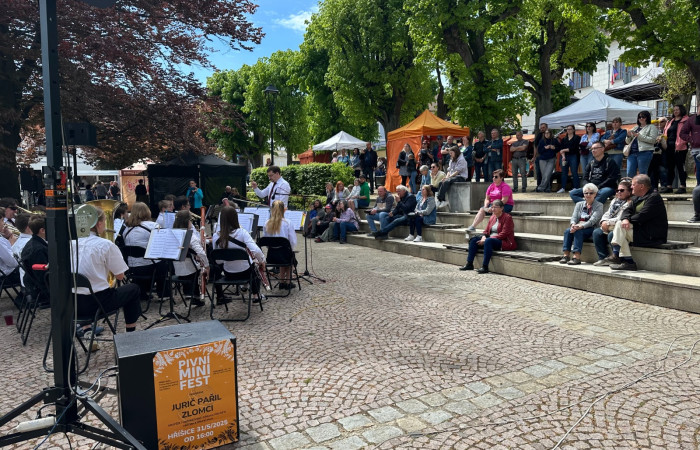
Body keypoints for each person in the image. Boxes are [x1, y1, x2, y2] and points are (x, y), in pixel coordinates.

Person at [70, 207, 141, 332]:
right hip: (97, 303)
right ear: (99, 223)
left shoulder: (69, 243)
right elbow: (120, 276)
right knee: (133, 289)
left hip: (72, 304)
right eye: (104, 221)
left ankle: (86, 328)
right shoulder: (105, 245)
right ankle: (130, 332)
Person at [609, 174, 667, 271]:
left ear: (641, 186)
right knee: (620, 227)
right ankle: (626, 261)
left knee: (619, 228)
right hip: (641, 231)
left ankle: (620, 257)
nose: (631, 187)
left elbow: (642, 216)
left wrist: (628, 220)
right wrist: (625, 219)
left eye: (633, 184)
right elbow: (626, 211)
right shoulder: (636, 198)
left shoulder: (654, 197)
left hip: (652, 235)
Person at [212, 206, 265, 302]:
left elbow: (218, 260)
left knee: (249, 263)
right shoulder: (242, 233)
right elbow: (256, 251)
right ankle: (256, 295)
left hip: (228, 273)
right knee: (254, 266)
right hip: (245, 272)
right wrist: (262, 261)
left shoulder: (216, 236)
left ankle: (244, 287)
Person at [123, 202, 169, 300]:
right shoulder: (153, 226)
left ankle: (142, 291)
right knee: (164, 262)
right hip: (150, 267)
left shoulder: (126, 229)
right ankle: (163, 293)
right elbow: (163, 244)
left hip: (132, 268)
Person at [459, 200, 516, 274]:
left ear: (502, 208)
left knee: (488, 241)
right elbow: (486, 231)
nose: (493, 209)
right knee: (473, 240)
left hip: (504, 241)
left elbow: (504, 234)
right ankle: (469, 264)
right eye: (492, 207)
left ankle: (485, 267)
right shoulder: (492, 217)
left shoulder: (507, 217)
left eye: (495, 207)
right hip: (491, 240)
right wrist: (483, 237)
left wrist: (487, 239)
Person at [559, 183, 604, 265]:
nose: (588, 195)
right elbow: (574, 217)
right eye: (586, 193)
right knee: (567, 231)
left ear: (595, 194)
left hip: (591, 228)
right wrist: (573, 224)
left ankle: (576, 257)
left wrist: (581, 226)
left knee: (578, 232)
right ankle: (566, 255)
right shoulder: (579, 204)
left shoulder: (599, 205)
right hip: (578, 226)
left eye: (591, 193)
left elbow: (593, 221)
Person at [171, 210, 209, 307]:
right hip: (192, 272)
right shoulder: (190, 236)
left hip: (177, 271)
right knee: (214, 269)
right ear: (188, 221)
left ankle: (193, 294)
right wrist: (207, 266)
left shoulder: (171, 235)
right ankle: (216, 296)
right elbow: (201, 253)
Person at [592, 180, 633, 266]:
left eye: (622, 190)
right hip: (609, 224)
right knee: (596, 232)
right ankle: (603, 258)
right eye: (617, 190)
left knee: (612, 235)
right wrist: (603, 221)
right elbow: (607, 213)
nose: (619, 192)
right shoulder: (615, 200)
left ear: (629, 192)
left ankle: (618, 258)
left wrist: (607, 223)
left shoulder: (630, 203)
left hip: (619, 226)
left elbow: (621, 217)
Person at [263, 200, 297, 287]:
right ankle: (288, 282)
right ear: (283, 210)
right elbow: (292, 241)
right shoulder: (288, 223)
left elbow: (266, 241)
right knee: (289, 257)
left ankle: (281, 282)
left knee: (284, 253)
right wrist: (291, 249)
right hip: (285, 255)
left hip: (271, 256)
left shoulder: (266, 223)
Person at [20, 216, 49, 307]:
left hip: (33, 284)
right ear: (42, 230)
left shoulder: (32, 243)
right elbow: (43, 276)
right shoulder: (38, 249)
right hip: (41, 290)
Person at [660, 104, 690, 194]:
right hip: (669, 147)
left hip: (680, 147)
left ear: (681, 110)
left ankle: (682, 186)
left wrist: (683, 142)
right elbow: (666, 132)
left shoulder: (686, 120)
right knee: (670, 167)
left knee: (680, 167)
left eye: (677, 109)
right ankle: (669, 186)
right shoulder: (671, 121)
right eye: (674, 110)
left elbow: (689, 133)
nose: (675, 111)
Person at [625, 110, 658, 177]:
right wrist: (628, 136)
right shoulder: (635, 127)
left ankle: (644, 184)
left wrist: (638, 136)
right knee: (629, 173)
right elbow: (628, 142)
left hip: (644, 152)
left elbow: (653, 140)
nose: (641, 118)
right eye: (639, 117)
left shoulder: (651, 127)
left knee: (642, 173)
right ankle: (632, 184)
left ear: (647, 118)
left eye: (643, 117)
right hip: (632, 152)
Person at [680, 104, 700, 185]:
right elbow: (682, 133)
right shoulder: (692, 119)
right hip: (697, 148)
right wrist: (692, 139)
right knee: (699, 167)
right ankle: (699, 187)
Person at [557, 125, 581, 193]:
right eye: (567, 129)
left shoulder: (577, 138)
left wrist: (564, 150)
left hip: (574, 156)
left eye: (570, 129)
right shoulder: (564, 139)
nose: (568, 130)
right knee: (564, 172)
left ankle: (576, 187)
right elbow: (561, 149)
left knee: (574, 172)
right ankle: (563, 187)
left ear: (573, 130)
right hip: (565, 156)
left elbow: (575, 148)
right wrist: (563, 156)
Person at [533, 122, 549, 188]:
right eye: (541, 128)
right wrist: (534, 156)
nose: (542, 129)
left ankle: (547, 186)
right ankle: (539, 186)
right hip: (539, 156)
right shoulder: (539, 135)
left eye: (543, 128)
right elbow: (535, 146)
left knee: (546, 172)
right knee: (538, 172)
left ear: (546, 128)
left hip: (547, 157)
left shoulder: (550, 136)